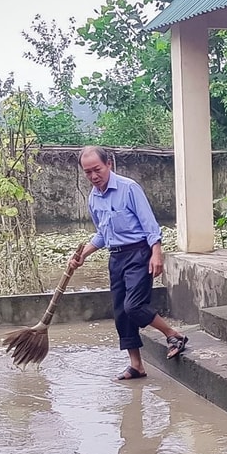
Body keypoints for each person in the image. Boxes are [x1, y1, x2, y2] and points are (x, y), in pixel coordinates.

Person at [69, 146, 188, 380]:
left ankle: (173, 334)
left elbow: (149, 224)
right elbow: (102, 235)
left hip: (138, 254)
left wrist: (157, 253)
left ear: (109, 164)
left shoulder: (129, 188)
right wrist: (84, 254)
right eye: (87, 172)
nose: (93, 176)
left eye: (97, 169)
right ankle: (136, 365)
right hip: (116, 258)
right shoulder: (93, 198)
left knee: (133, 306)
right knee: (121, 313)